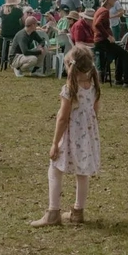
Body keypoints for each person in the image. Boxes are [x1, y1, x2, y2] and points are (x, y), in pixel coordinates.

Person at [30, 46, 102, 227]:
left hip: (71, 135)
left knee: (55, 168)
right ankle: (78, 211)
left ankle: (53, 212)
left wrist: (55, 143)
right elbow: (94, 112)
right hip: (86, 137)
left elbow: (63, 118)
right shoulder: (93, 86)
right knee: (82, 172)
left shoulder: (70, 89)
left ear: (70, 66)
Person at [93, 0, 128, 86]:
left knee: (120, 54)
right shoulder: (105, 11)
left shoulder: (100, 9)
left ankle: (118, 79)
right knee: (126, 55)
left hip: (99, 40)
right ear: (108, 0)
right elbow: (97, 24)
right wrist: (108, 36)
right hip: (103, 41)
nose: (115, 0)